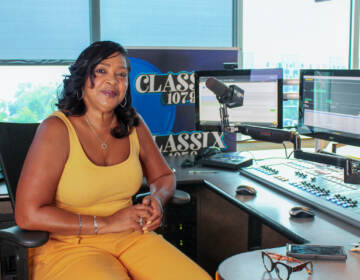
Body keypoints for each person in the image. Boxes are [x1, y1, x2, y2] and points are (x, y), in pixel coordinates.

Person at [15, 41, 211, 280]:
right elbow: (28, 214)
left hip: (130, 235)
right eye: (101, 71)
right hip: (67, 245)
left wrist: (158, 200)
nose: (112, 81)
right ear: (83, 77)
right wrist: (105, 223)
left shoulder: (132, 123)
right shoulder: (56, 129)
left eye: (121, 74)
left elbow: (163, 176)